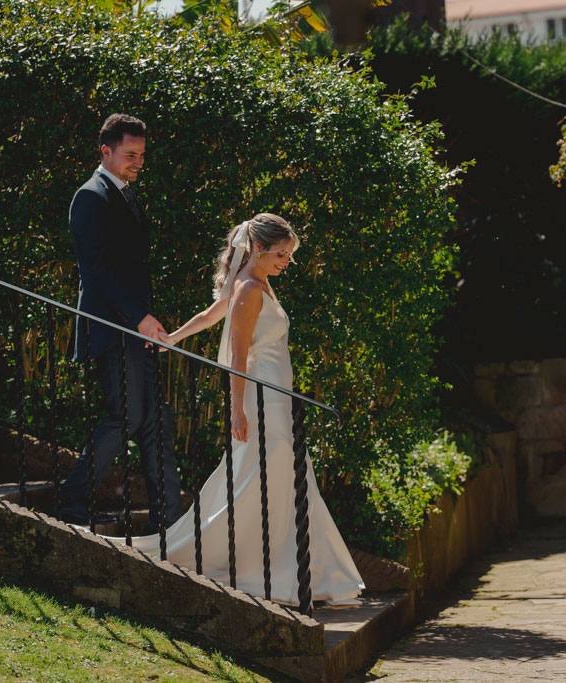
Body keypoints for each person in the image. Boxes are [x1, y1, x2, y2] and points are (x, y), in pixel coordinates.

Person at [131, 213, 364, 608]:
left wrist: (173, 337)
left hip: (277, 399)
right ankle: (267, 570)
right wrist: (237, 410)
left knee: (278, 483)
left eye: (289, 255)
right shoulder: (249, 290)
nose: (286, 261)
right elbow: (237, 356)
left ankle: (292, 572)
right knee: (264, 483)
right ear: (257, 248)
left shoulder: (257, 283)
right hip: (262, 402)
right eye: (280, 254)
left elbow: (208, 316)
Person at [62, 113, 183, 534]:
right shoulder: (90, 197)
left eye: (142, 155)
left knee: (155, 420)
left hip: (137, 329)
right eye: (131, 155)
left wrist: (146, 322)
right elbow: (95, 272)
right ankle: (72, 503)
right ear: (106, 151)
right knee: (127, 417)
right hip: (113, 329)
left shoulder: (126, 194)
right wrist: (139, 318)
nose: (138, 162)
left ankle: (168, 518)